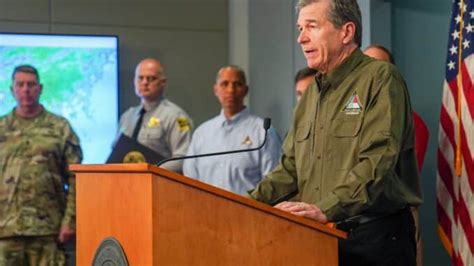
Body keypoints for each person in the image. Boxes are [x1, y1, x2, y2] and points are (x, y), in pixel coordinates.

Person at [248, 1, 422, 265]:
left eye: (312, 26)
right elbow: (290, 170)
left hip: (375, 240)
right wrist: (243, 204)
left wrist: (325, 208)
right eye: (299, 28)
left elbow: (377, 161)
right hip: (322, 238)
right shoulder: (311, 96)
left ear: (346, 32)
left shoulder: (380, 78)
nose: (301, 37)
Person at [0, 65, 83, 265]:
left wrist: (70, 221)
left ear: (40, 89)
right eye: (20, 85)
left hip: (48, 231)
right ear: (12, 90)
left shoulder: (59, 127)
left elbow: (76, 178)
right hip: (6, 231)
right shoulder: (2, 128)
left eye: (31, 84)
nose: (26, 90)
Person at [364, 44, 428, 266]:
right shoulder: (352, 117)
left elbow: (395, 176)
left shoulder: (412, 121)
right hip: (360, 224)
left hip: (398, 217)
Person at [183, 65, 282, 195]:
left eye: (237, 84)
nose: (231, 90)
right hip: (205, 210)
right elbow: (190, 180)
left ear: (246, 90)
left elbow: (273, 183)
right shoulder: (202, 133)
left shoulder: (263, 132)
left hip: (248, 212)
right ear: (215, 90)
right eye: (225, 84)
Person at [117, 58, 193, 172]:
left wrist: (151, 171)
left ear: (163, 82)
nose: (145, 82)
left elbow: (183, 158)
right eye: (140, 78)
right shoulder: (127, 116)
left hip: (158, 183)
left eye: (151, 78)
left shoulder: (177, 117)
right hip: (127, 183)